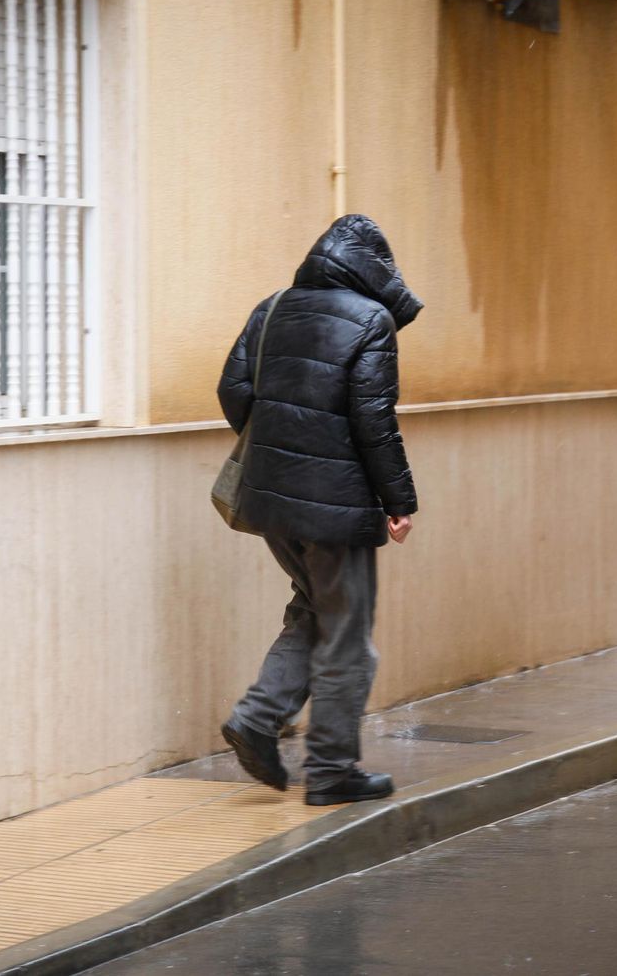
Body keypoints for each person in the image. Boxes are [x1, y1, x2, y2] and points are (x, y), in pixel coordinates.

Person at [216, 214, 422, 807]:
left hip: (268, 494)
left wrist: (282, 451)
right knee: (348, 639)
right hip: (336, 505)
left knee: (316, 608)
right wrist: (399, 501)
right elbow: (374, 422)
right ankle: (332, 770)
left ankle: (258, 719)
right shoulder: (373, 321)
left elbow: (233, 391)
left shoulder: (273, 307)